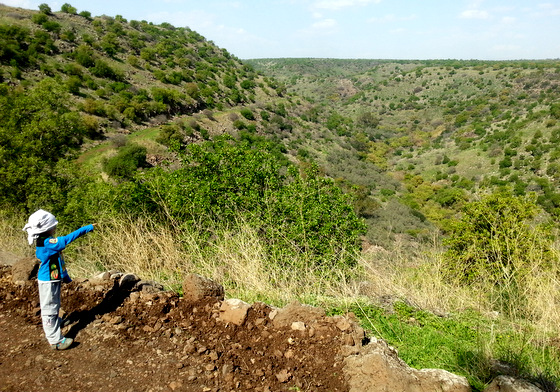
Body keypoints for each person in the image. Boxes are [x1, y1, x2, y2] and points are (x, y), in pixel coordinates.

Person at [22, 209, 95, 350]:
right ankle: (55, 340)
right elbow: (66, 239)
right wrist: (86, 228)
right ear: (47, 228)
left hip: (52, 279)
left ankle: (55, 324)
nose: (55, 227)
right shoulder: (48, 242)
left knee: (54, 304)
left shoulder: (45, 241)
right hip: (47, 281)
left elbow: (58, 262)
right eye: (53, 225)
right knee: (49, 308)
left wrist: (66, 277)